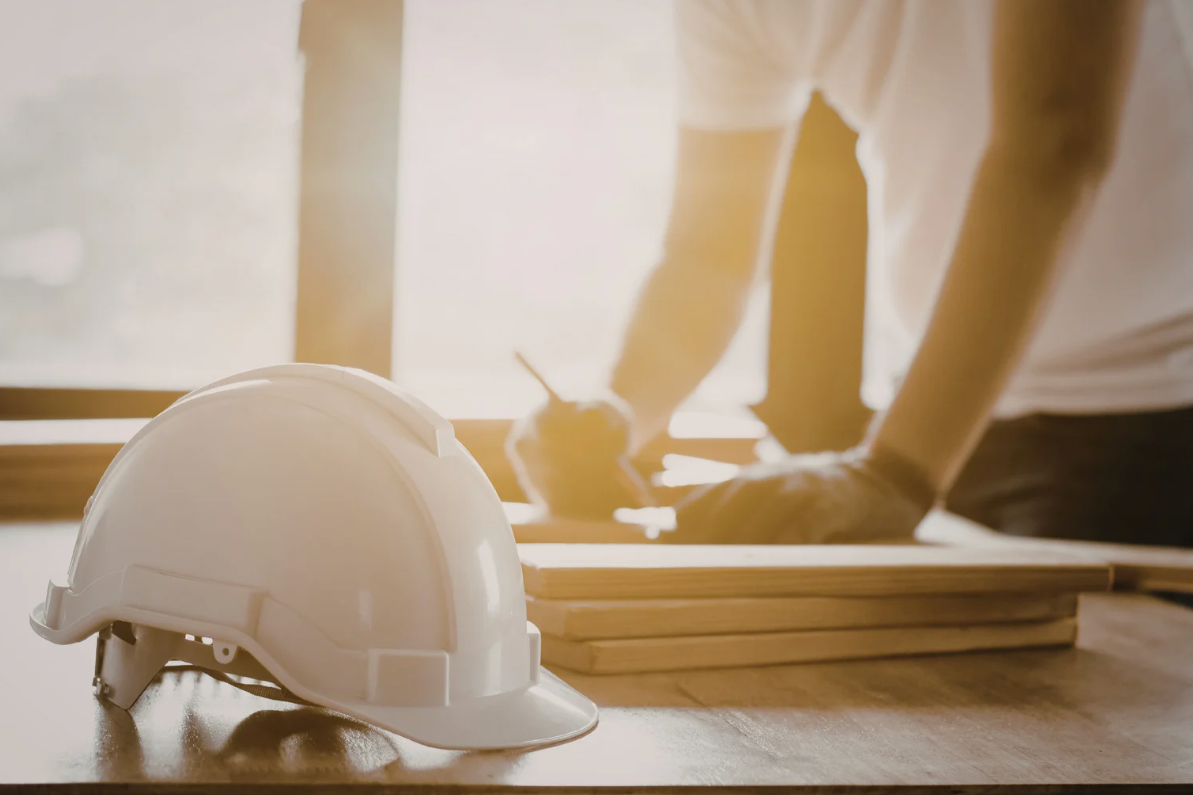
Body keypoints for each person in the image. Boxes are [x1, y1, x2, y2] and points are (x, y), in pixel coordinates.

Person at [508, 0, 1193, 547]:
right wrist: (613, 416)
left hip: (1151, 420)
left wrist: (892, 471)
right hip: (934, 427)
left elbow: (1053, 143)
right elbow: (708, 256)